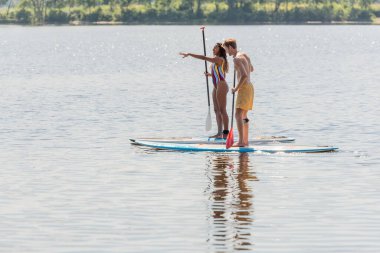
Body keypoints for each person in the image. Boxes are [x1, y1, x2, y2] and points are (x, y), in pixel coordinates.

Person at [180, 43, 230, 138]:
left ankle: (225, 133)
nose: (213, 49)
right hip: (216, 86)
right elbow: (221, 73)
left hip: (221, 85)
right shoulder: (216, 61)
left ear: (220, 49)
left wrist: (189, 54)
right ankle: (219, 133)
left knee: (222, 110)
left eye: (215, 47)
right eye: (213, 47)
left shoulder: (219, 59)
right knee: (216, 110)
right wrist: (210, 75)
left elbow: (203, 58)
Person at [223, 38, 254, 147]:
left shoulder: (236, 59)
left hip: (244, 88)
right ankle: (245, 141)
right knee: (244, 115)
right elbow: (251, 69)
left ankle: (241, 141)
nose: (226, 52)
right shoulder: (244, 54)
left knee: (237, 115)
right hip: (250, 87)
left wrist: (236, 88)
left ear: (231, 47)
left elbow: (245, 75)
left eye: (226, 49)